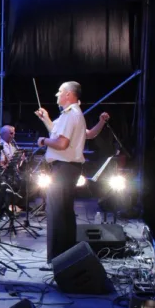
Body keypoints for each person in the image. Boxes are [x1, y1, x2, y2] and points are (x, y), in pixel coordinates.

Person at [35, 82, 109, 261]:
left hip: (63, 168)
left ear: (68, 94)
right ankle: (67, 256)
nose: (57, 95)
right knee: (64, 212)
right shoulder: (74, 113)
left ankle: (57, 258)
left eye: (60, 91)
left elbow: (61, 143)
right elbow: (60, 132)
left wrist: (43, 141)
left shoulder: (70, 114)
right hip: (69, 169)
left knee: (56, 213)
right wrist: (46, 118)